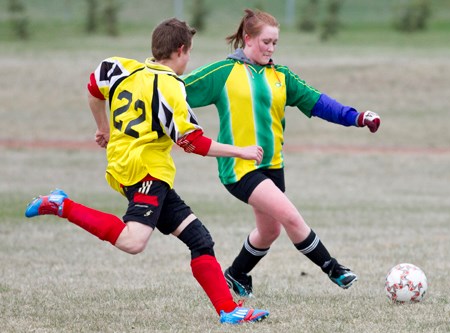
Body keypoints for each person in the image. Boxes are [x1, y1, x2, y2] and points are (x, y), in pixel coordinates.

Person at [24, 18, 269, 325]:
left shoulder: (121, 68)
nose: (188, 60)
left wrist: (104, 128)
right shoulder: (170, 86)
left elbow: (93, 88)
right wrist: (241, 151)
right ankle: (62, 205)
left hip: (129, 166)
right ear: (180, 50)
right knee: (133, 242)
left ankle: (228, 310)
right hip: (146, 172)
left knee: (200, 239)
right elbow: (191, 142)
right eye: (189, 53)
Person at [182, 9, 381, 297]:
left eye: (275, 43)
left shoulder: (280, 76)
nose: (271, 48)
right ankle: (334, 269)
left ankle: (236, 274)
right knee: (290, 216)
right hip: (239, 167)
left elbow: (317, 102)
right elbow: (175, 90)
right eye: (266, 42)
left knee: (269, 232)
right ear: (247, 39)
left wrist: (357, 117)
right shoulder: (223, 73)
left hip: (273, 165)